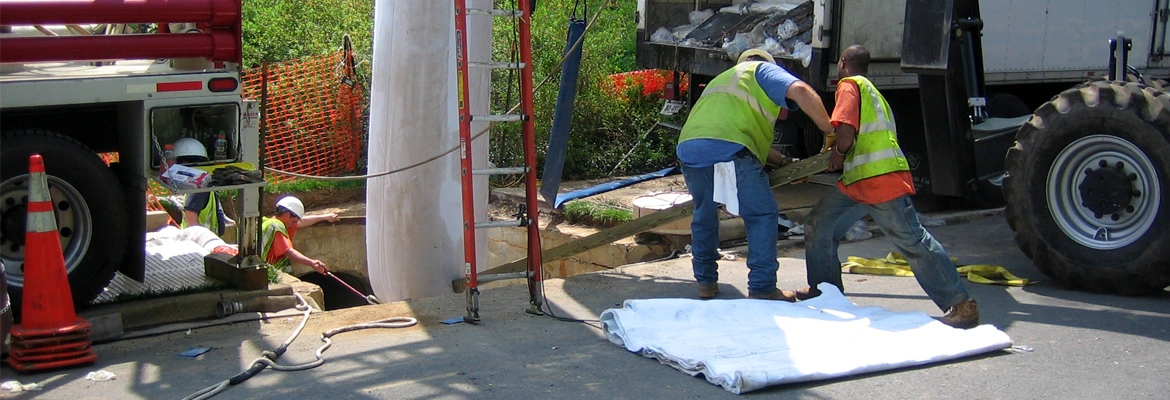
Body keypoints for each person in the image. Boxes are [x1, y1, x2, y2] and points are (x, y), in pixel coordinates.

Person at [800, 45, 978, 328]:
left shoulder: (849, 85)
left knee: (912, 240)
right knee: (818, 224)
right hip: (862, 180)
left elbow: (845, 132)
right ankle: (825, 293)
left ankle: (960, 303)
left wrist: (837, 155)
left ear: (843, 62)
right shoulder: (874, 93)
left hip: (876, 179)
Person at [677, 49, 835, 301]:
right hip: (730, 147)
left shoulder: (723, 79)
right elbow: (801, 92)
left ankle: (705, 283)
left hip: (691, 146)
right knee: (761, 214)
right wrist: (829, 131)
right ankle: (762, 286)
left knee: (705, 214)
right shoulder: (761, 70)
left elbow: (735, 133)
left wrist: (783, 161)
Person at [261, 196, 340, 275]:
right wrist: (311, 263)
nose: (294, 225)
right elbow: (288, 251)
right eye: (294, 221)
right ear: (287, 215)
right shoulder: (276, 226)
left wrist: (325, 217)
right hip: (267, 275)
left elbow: (303, 222)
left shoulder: (269, 222)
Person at [174, 138, 235, 236]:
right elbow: (190, 213)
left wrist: (223, 218)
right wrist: (199, 239)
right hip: (201, 242)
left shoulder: (205, 182)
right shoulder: (201, 185)